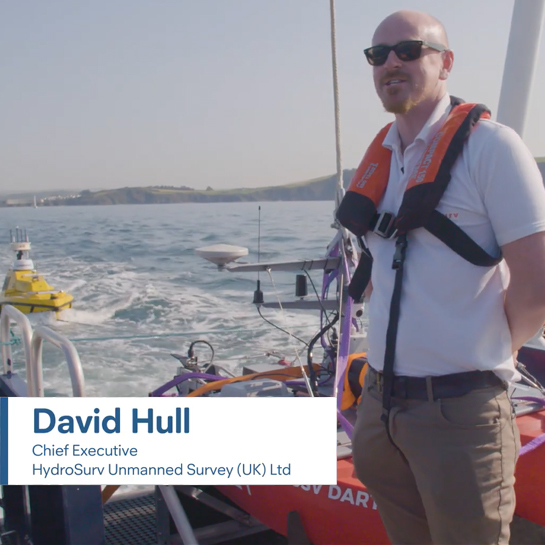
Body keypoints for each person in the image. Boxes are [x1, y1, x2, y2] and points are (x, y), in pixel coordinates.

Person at [344, 10, 545, 545]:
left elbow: (537, 284)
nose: (391, 62)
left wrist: (482, 353)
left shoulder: (492, 149)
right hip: (380, 411)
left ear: (445, 62)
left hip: (458, 414)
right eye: (378, 54)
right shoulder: (384, 156)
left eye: (408, 50)